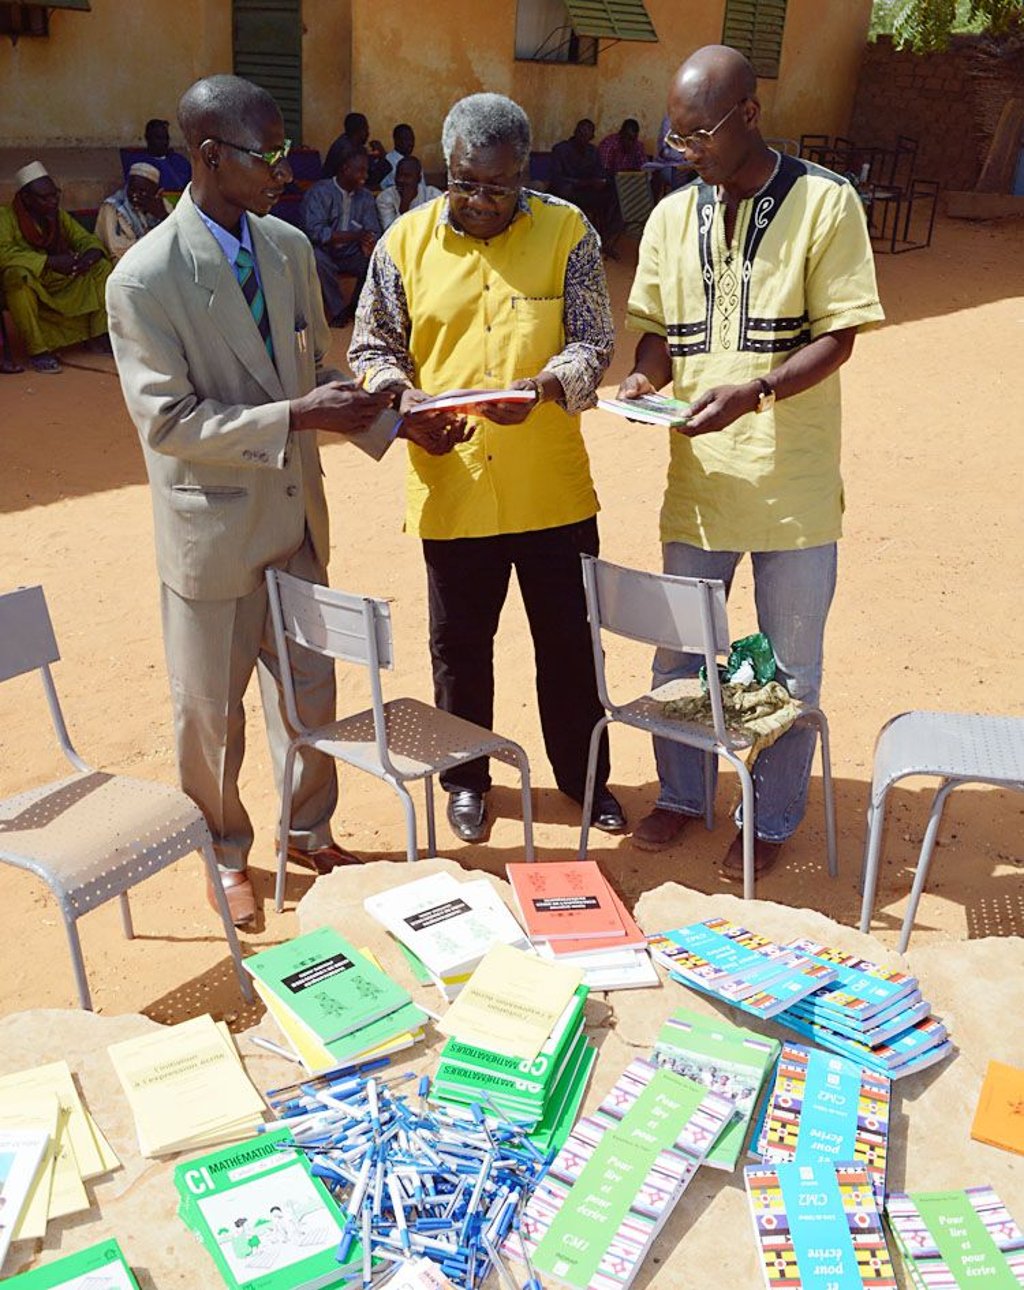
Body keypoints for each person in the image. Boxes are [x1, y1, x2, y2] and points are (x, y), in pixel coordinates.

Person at [106, 74, 462, 927]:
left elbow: (320, 374)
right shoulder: (145, 280)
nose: (284, 171)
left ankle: (308, 829)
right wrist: (300, 414)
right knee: (211, 711)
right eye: (265, 156)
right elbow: (170, 421)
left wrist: (395, 425)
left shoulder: (288, 248)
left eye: (283, 152)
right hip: (214, 531)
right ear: (207, 155)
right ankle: (223, 851)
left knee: (310, 691)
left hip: (297, 517)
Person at [619, 45, 883, 879]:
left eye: (699, 132)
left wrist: (757, 390)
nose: (683, 147)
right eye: (677, 132)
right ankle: (684, 796)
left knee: (788, 664)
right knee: (677, 654)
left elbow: (839, 337)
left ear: (750, 114)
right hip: (697, 481)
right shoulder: (670, 217)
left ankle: (769, 816)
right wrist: (643, 379)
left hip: (791, 484)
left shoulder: (824, 204)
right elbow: (658, 332)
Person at [350, 91, 626, 844]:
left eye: (498, 188)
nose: (480, 201)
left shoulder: (568, 231)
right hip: (454, 486)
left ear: (524, 174)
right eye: (467, 184)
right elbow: (371, 350)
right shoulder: (401, 244)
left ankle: (586, 778)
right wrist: (406, 406)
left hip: (552, 490)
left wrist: (545, 387)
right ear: (448, 171)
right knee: (460, 651)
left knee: (570, 645)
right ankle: (466, 778)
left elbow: (593, 341)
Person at [0, 161, 112, 374]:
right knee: (17, 277)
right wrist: (49, 262)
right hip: (34, 279)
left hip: (60, 277)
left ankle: (97, 336)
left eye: (55, 194)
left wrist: (89, 256)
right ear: (26, 199)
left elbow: (84, 239)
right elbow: (4, 254)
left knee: (101, 268)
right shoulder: (5, 217)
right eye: (45, 197)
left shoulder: (56, 215)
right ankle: (38, 351)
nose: (53, 201)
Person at [301, 138, 382, 327]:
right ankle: (337, 311)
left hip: (351, 253)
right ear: (345, 169)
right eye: (361, 170)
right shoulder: (319, 192)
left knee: (376, 260)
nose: (366, 175)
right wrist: (356, 236)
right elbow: (316, 232)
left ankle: (355, 306)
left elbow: (373, 230)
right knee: (316, 258)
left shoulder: (366, 197)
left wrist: (369, 242)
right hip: (325, 252)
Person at [549, 118, 619, 249]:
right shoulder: (561, 149)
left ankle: (605, 237)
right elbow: (557, 178)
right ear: (575, 133)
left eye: (587, 136)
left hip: (586, 191)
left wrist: (601, 181)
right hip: (569, 190)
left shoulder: (592, 152)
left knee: (613, 193)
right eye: (581, 134)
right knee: (565, 190)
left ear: (591, 137)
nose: (583, 139)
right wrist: (585, 183)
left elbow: (600, 172)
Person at [96, 162, 171, 261]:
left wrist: (162, 215)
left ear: (155, 192)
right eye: (132, 189)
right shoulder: (112, 207)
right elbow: (117, 249)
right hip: (126, 262)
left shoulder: (160, 204)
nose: (135, 196)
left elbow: (178, 237)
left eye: (143, 192)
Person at [322, 112, 390, 188]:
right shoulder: (347, 150)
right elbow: (367, 180)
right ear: (361, 130)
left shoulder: (350, 144)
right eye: (366, 129)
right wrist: (383, 155)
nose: (368, 133)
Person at [375, 156, 442, 230]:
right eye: (398, 175)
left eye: (407, 176)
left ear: (419, 179)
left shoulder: (433, 195)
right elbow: (390, 233)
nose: (401, 180)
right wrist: (405, 205)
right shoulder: (385, 198)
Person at [140, 117, 192, 191]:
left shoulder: (180, 161)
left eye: (166, 138)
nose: (164, 142)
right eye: (159, 138)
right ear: (148, 138)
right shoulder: (141, 164)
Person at [380, 123, 415, 188]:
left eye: (412, 138)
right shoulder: (387, 162)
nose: (411, 143)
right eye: (406, 139)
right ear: (396, 140)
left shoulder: (414, 162)